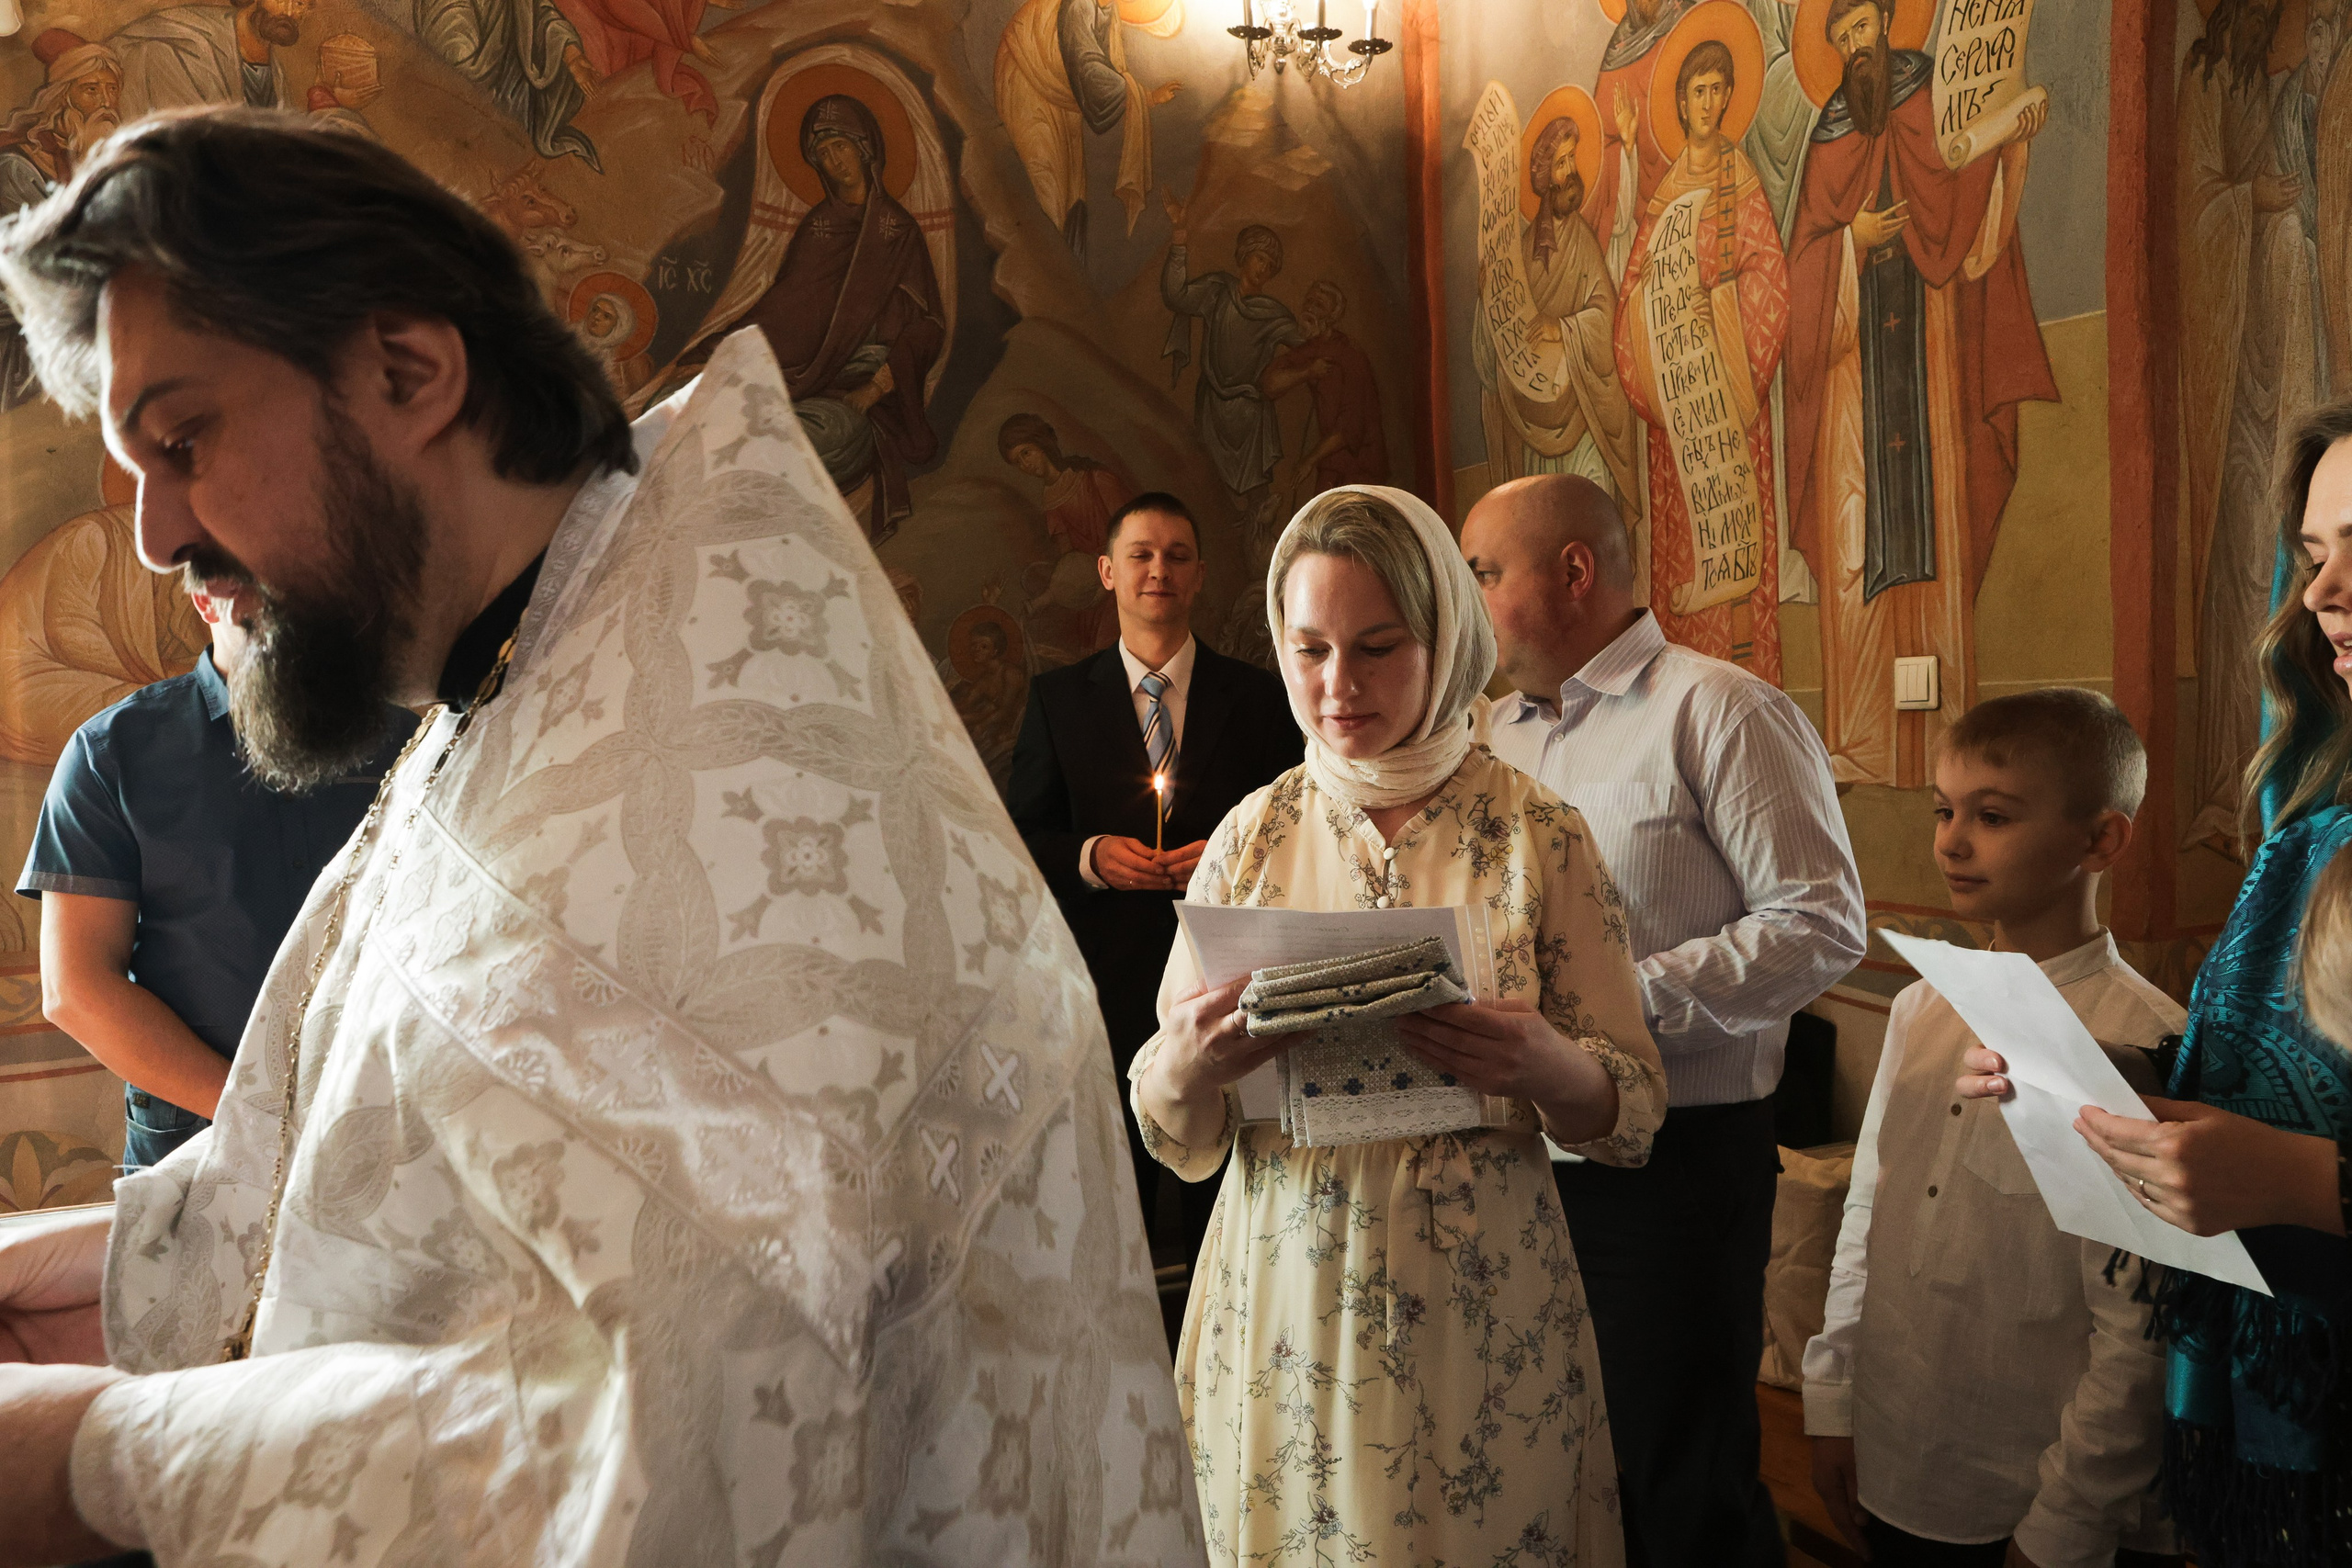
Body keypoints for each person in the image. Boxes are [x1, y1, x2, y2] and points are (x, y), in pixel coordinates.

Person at [0, 109, 1200, 1567]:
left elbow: (684, 1432)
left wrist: (98, 1459)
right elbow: (380, 1164)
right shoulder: (528, 678)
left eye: (182, 438)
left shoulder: (731, 775)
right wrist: (98, 1267)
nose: (152, 534)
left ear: (410, 368)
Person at [1132, 483, 1668, 1563]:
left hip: (1482, 1293)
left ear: (1446, 640)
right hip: (1286, 1286)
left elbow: (1635, 1107)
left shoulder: (1537, 835)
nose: (1338, 686)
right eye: (1309, 648)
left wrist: (1544, 1061)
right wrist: (1191, 1060)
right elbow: (1167, 1110)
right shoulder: (1251, 834)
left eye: (1378, 647)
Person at [1962, 400, 2352, 1568]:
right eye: (2319, 555)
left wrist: (2300, 1181)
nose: (2321, 595)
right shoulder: (2314, 832)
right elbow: (2264, 1073)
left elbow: (2297, 1144)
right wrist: (2107, 1082)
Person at [1463, 473, 1866, 1568]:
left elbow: (1822, 925)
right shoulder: (1492, 736)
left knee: (1678, 1472)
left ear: (1574, 571)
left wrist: (1604, 1010)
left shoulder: (1719, 708)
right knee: (1556, 1451)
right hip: (1523, 1151)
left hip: (1681, 1170)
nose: (1469, 598)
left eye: (1484, 572)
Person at [1804, 688, 2181, 1568]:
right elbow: (1867, 1213)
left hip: (2038, 1493)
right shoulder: (1920, 1008)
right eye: (1944, 810)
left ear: (2101, 839)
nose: (1951, 840)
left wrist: (2064, 1524)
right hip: (1898, 1455)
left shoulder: (2136, 1041)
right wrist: (1832, 1400)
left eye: (1994, 815)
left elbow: (2139, 1325)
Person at [21, 568, 417, 1173]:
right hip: (196, 1152)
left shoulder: (406, 743)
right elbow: (76, 988)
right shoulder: (109, 755)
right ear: (204, 597)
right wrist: (259, 1117)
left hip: (389, 1137)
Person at [1008, 493, 1298, 1276]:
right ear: (1107, 572)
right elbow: (1016, 844)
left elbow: (1301, 831)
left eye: (1176, 554)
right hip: (1103, 997)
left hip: (1229, 995)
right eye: (1140, 554)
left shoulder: (1263, 698)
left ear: (1201, 574)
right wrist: (1092, 856)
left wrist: (1233, 852)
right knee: (1119, 1233)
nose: (1158, 569)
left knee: (1232, 1235)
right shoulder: (1059, 700)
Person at [1784, 0, 2056, 790]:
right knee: (1852, 540)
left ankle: (1948, 740)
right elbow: (1801, 261)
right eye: (1840, 39)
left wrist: (2010, 147)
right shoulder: (1828, 137)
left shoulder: (1933, 96)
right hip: (1850, 383)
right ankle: (1861, 739)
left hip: (1929, 349)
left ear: (1885, 24)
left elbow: (1967, 216)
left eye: (1862, 29)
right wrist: (1848, 245)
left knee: (1935, 533)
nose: (1854, 46)